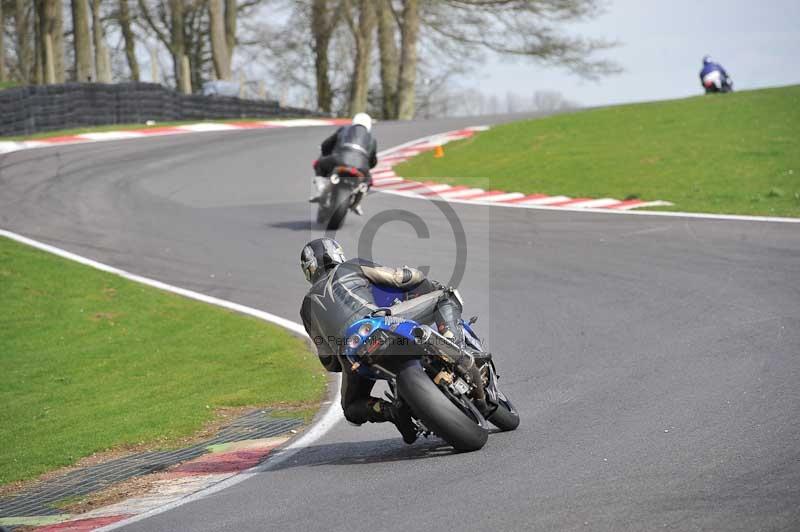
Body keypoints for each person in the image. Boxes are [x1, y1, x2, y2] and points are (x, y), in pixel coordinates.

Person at [298, 237, 465, 444]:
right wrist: (414, 273)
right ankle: (454, 346)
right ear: (337, 254)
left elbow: (328, 360)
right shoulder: (352, 266)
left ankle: (389, 410)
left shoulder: (306, 308)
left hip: (352, 353)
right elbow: (398, 278)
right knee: (445, 296)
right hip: (380, 324)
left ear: (309, 270)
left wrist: (345, 358)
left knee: (351, 408)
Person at [310, 113, 378, 216]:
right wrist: (366, 166)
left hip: (339, 159)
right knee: (368, 181)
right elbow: (372, 161)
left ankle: (320, 190)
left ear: (354, 121)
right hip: (361, 167)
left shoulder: (344, 129)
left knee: (319, 164)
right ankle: (357, 202)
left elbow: (326, 144)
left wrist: (325, 152)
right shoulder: (372, 139)